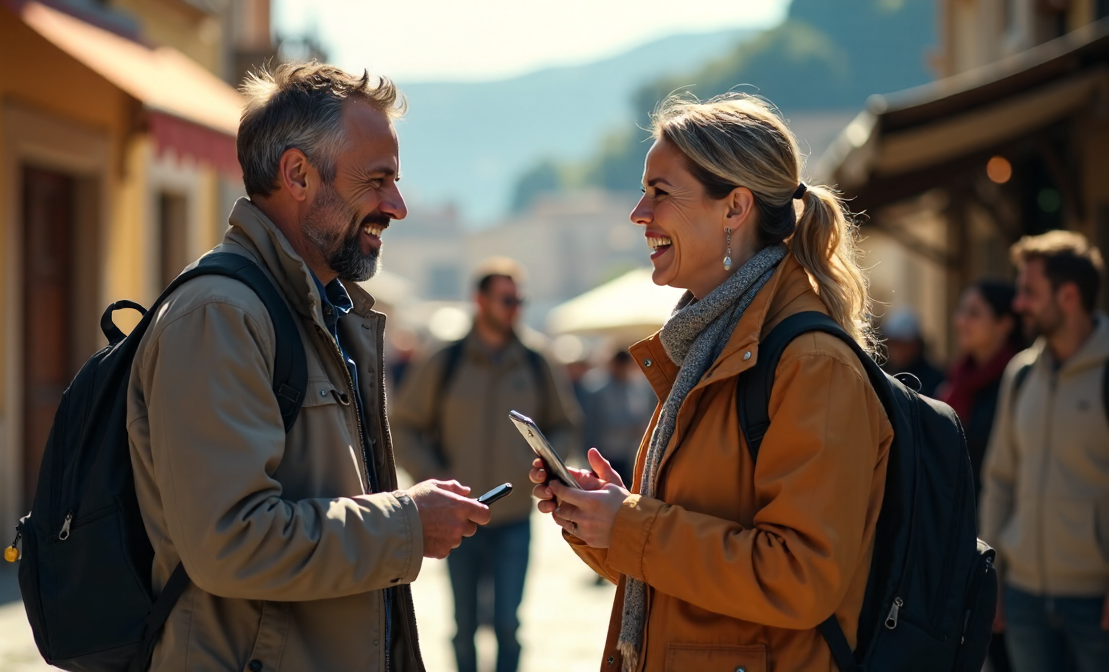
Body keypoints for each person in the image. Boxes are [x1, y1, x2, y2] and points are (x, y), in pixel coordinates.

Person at [126, 62, 491, 672]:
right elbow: (230, 542)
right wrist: (406, 524)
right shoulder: (220, 315)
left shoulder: (319, 310)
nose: (396, 206)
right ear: (297, 174)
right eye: (378, 181)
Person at [530, 93, 893, 672]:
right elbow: (680, 577)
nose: (639, 213)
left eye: (660, 192)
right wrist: (603, 519)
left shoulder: (812, 363)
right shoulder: (708, 345)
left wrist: (630, 523)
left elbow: (799, 578)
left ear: (735, 208)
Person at [392, 258, 582, 672]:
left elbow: (564, 425)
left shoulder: (537, 359)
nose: (516, 308)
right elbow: (403, 424)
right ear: (479, 301)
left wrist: (547, 468)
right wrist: (433, 479)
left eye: (521, 300)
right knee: (463, 627)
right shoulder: (445, 360)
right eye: (507, 299)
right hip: (459, 516)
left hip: (514, 517)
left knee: (507, 625)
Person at [980, 230, 1109, 672]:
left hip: (1096, 602)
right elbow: (999, 481)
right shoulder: (1020, 375)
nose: (1018, 304)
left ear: (1069, 295)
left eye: (1029, 292)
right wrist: (990, 576)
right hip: (1023, 599)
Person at [938, 280, 1024, 500]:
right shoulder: (956, 380)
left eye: (974, 313)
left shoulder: (1020, 381)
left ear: (1004, 323)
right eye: (961, 311)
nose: (961, 321)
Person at [583, 350, 656, 489]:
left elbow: (640, 413)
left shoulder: (635, 386)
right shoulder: (598, 390)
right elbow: (592, 423)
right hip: (605, 451)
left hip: (629, 452)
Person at [881, 307, 945, 397]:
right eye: (894, 343)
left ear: (916, 345)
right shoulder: (881, 375)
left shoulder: (935, 380)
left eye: (903, 343)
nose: (898, 350)